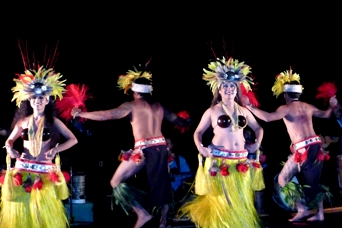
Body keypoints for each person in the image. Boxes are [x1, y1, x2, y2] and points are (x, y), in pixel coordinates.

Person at [72, 66, 190, 228]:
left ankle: (142, 213)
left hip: (143, 150)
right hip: (161, 149)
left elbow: (108, 115)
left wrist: (81, 114)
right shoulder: (159, 106)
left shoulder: (132, 105)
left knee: (115, 182)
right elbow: (180, 121)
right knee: (162, 186)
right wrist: (188, 121)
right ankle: (162, 223)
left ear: (135, 92)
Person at [178, 57, 265, 228]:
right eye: (225, 86)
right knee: (224, 201)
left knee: (240, 199)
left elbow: (259, 128)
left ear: (236, 89)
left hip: (241, 161)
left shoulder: (244, 110)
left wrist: (256, 144)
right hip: (220, 161)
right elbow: (198, 132)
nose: (228, 89)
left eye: (232, 86)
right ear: (219, 88)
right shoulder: (212, 111)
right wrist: (201, 148)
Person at [246, 68, 338, 222]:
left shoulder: (286, 108)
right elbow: (326, 115)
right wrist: (332, 106)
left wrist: (251, 108)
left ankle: (301, 209)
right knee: (313, 183)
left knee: (282, 179)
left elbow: (268, 118)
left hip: (303, 148)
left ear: (286, 94)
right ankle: (320, 213)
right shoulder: (308, 106)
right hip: (316, 145)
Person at [1, 65, 78, 228]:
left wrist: (56, 149)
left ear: (47, 100)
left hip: (44, 171)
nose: (38, 101)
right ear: (30, 100)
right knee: (22, 212)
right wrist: (10, 148)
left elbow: (73, 139)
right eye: (35, 98)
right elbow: (9, 141)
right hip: (23, 169)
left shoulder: (53, 122)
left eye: (41, 98)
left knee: (42, 215)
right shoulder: (23, 122)